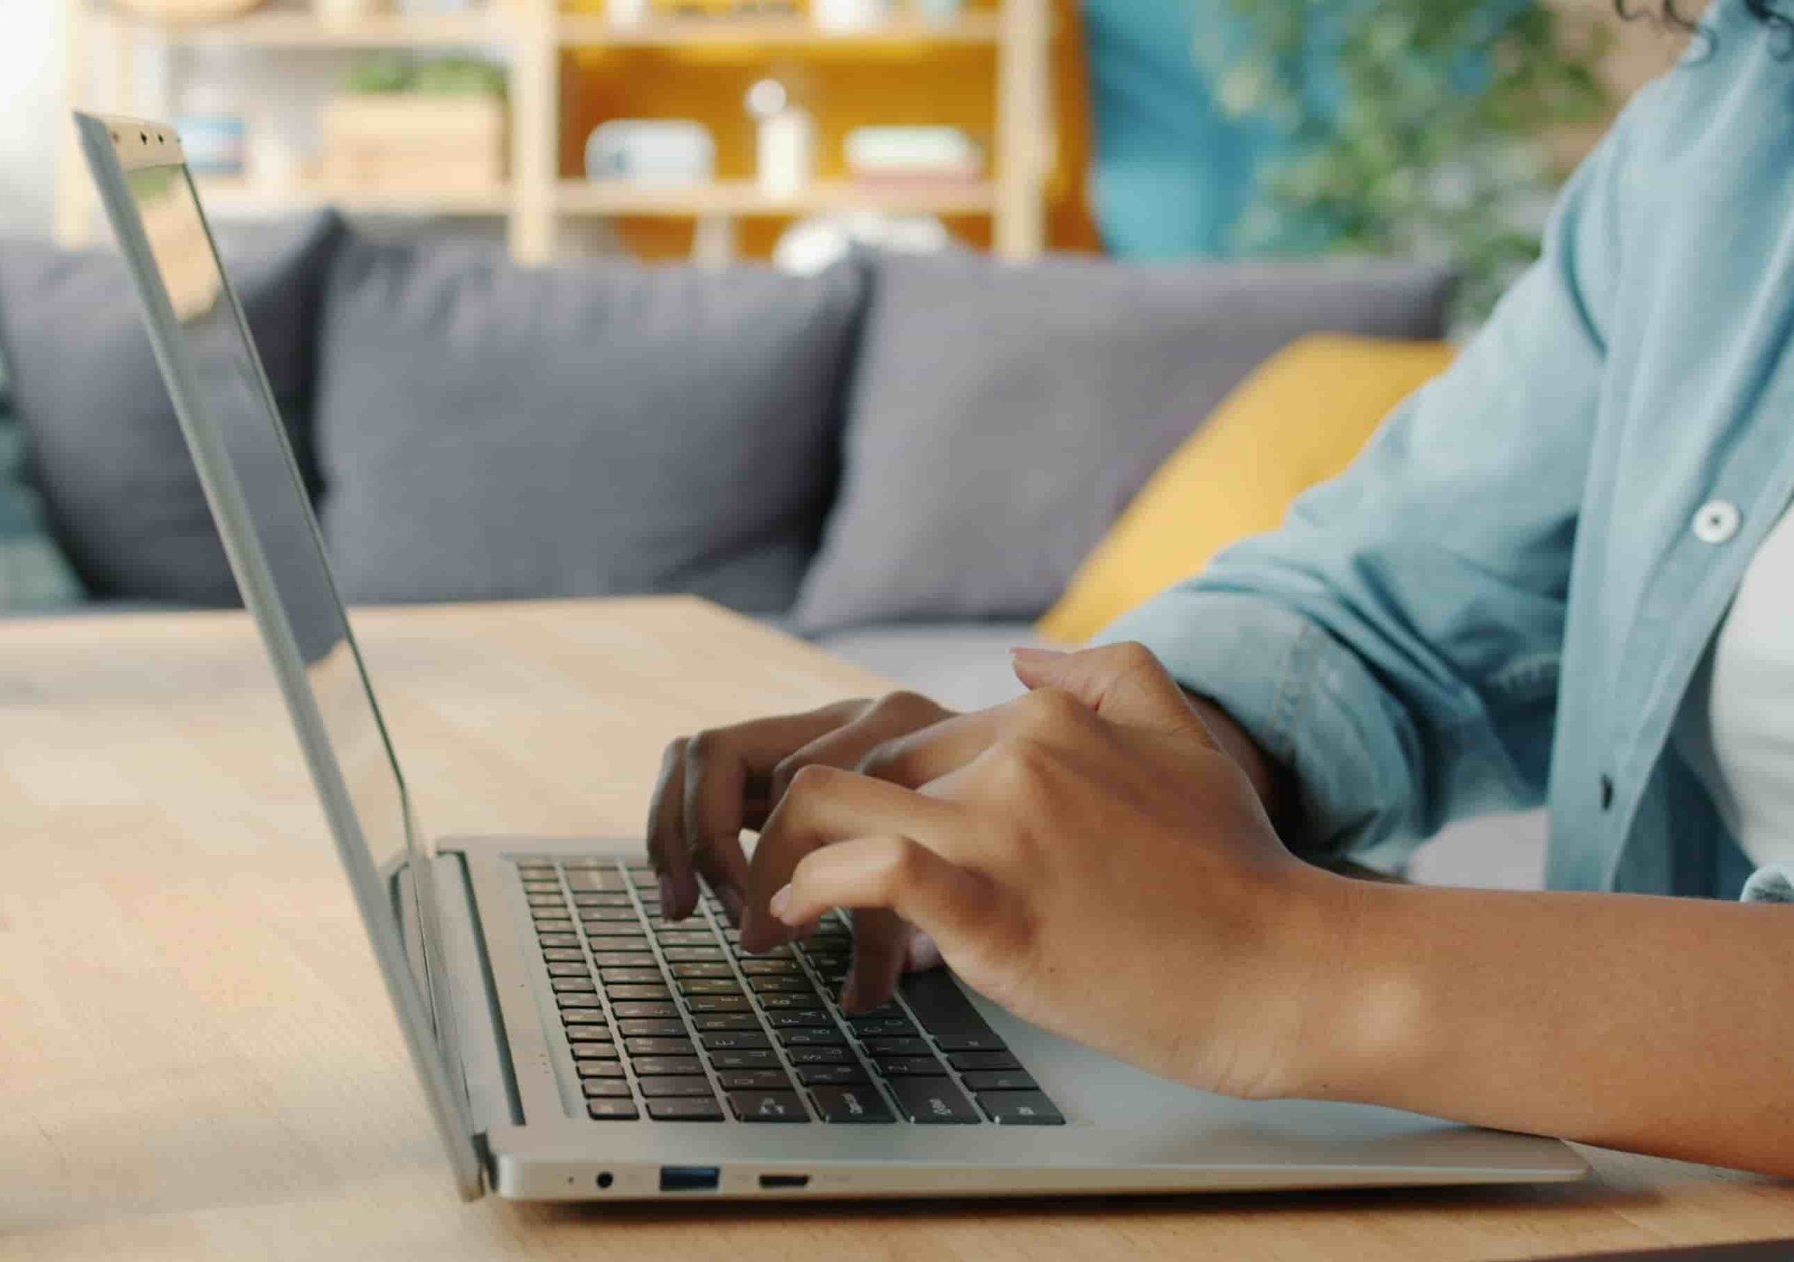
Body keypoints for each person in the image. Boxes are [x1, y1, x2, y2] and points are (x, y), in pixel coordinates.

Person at [646, 0, 1794, 1178]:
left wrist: (1286, 960)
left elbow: (1286, 955)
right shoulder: (1732, 117)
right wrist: (1097, 775)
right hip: (1654, 1223)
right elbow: (1390, 609)